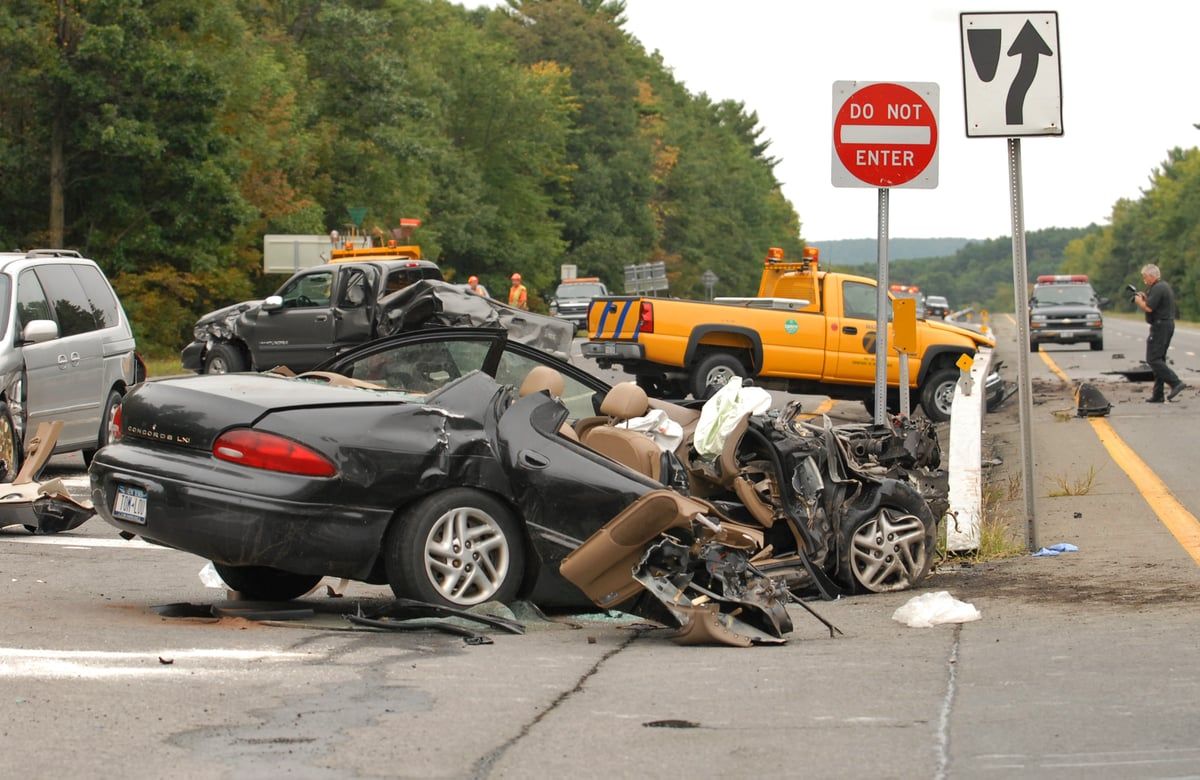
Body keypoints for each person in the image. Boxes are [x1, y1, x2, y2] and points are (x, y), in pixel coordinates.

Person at [1132, 263, 1185, 402]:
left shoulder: (1158, 287)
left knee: (1153, 359)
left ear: (1151, 275)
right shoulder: (1161, 287)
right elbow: (1153, 303)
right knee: (1159, 359)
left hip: (1161, 326)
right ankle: (1158, 394)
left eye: (1145, 277)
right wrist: (1145, 296)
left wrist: (1139, 301)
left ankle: (1175, 382)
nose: (1144, 280)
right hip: (1165, 325)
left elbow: (1149, 307)